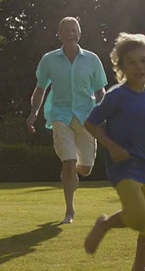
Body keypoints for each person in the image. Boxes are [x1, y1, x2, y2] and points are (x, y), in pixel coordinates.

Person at [83, 32, 145, 270]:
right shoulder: (116, 96)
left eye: (144, 60)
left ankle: (139, 267)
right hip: (124, 167)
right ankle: (104, 224)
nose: (139, 66)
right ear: (122, 67)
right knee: (139, 217)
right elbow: (91, 123)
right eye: (132, 62)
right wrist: (113, 147)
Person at [26, 17, 108, 225]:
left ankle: (71, 176)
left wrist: (105, 112)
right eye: (66, 30)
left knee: (85, 168)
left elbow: (99, 91)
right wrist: (34, 112)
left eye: (74, 30)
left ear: (79, 34)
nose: (70, 33)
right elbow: (40, 88)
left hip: (86, 116)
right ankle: (69, 210)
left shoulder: (92, 60)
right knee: (68, 161)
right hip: (59, 115)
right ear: (60, 34)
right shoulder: (49, 60)